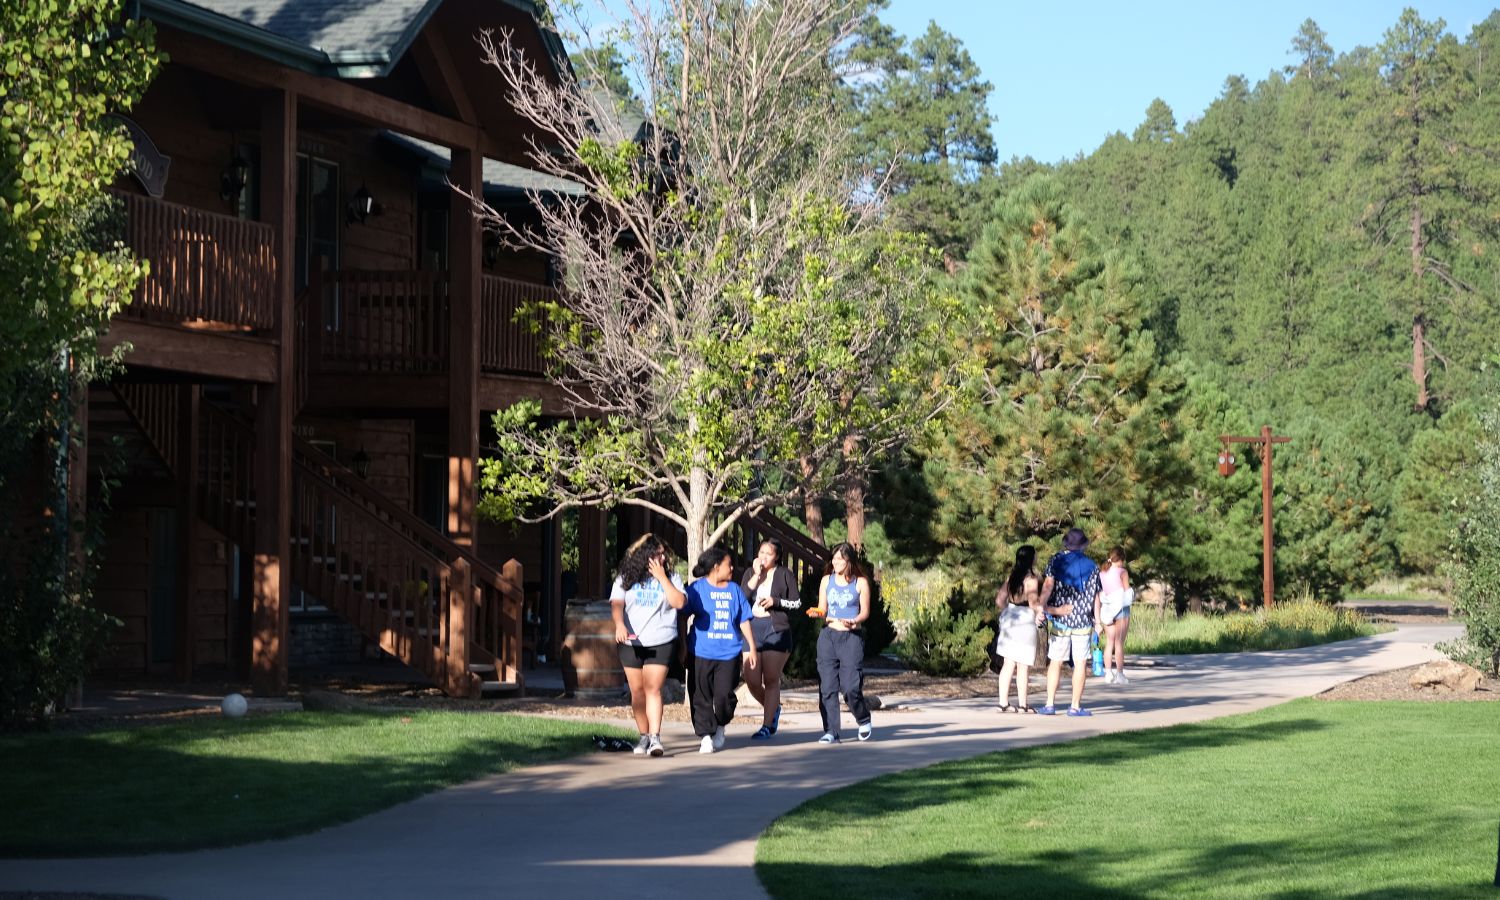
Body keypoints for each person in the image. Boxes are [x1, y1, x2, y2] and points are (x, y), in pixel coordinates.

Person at [610, 534, 686, 757]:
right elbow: (616, 604)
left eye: (663, 554)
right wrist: (619, 625)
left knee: (653, 688)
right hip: (631, 641)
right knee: (637, 691)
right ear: (644, 555)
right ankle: (643, 735)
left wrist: (662, 578)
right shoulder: (626, 576)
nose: (662, 558)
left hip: (661, 639)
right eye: (657, 554)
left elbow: (679, 603)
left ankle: (655, 738)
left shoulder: (672, 577)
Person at [684, 547, 759, 754]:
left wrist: (751, 647)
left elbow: (743, 619)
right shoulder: (696, 589)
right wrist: (682, 645)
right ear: (716, 567)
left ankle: (721, 724)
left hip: (729, 654)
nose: (732, 568)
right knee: (700, 696)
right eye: (729, 564)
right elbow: (682, 614)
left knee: (724, 697)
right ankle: (705, 736)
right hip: (700, 652)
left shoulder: (735, 590)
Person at [1037, 527, 1103, 717]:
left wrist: (1041, 606)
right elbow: (1096, 597)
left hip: (1061, 619)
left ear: (1067, 544)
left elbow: (1048, 585)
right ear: (1083, 545)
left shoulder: (1055, 561)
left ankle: (1050, 704)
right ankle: (1074, 706)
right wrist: (1098, 621)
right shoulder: (1092, 566)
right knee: (1080, 663)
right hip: (1083, 620)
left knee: (1056, 661)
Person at [813, 542, 873, 744]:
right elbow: (823, 608)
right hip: (828, 637)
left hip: (851, 638)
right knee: (827, 687)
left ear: (849, 560)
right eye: (834, 558)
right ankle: (831, 731)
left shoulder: (860, 582)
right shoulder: (826, 580)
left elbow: (865, 611)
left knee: (850, 687)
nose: (836, 562)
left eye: (840, 558)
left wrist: (854, 620)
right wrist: (817, 612)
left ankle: (863, 718)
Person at [741, 538, 801, 739]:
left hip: (775, 629)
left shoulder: (785, 574)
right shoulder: (750, 573)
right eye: (761, 552)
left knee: (771, 678)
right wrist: (756, 576)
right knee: (751, 680)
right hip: (751, 629)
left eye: (769, 553)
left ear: (777, 557)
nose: (764, 557)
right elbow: (741, 597)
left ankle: (767, 726)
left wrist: (776, 601)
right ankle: (774, 708)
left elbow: (796, 603)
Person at [994, 545, 1043, 713]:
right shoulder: (1031, 579)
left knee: (1008, 663)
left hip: (1010, 618)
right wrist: (1042, 610)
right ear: (1031, 559)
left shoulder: (1011, 577)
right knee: (1023, 665)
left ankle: (1003, 703)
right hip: (1024, 620)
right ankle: (1023, 704)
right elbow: (1033, 603)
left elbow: (999, 600)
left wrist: (1008, 610)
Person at [1098, 546, 1134, 684]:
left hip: (1107, 608)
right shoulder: (1122, 572)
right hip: (1121, 609)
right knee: (1119, 643)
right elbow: (1127, 591)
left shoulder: (1102, 572)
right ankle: (1120, 674)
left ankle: (1108, 673)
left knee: (1109, 643)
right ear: (1121, 559)